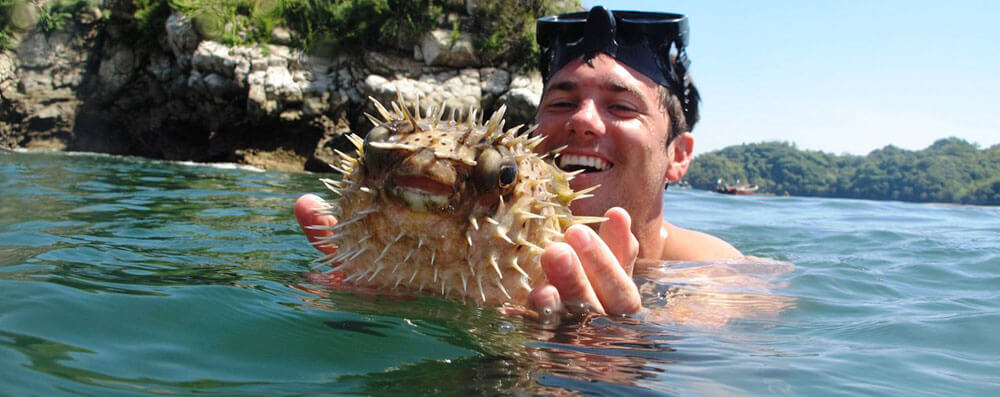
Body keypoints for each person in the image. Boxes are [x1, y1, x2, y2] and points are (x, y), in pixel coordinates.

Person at [295, 6, 742, 318]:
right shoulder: (367, 242)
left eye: (622, 107)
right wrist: (341, 313)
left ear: (678, 156)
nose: (583, 121)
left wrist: (613, 350)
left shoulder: (725, 282)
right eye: (562, 103)